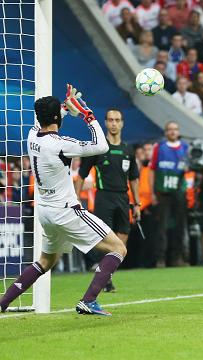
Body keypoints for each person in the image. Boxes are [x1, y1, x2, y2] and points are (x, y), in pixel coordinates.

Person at [0, 86, 126, 316]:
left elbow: (52, 117)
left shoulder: (32, 135)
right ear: (56, 117)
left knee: (45, 262)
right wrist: (86, 113)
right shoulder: (61, 144)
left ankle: (3, 302)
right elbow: (101, 146)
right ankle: (88, 300)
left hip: (45, 212)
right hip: (66, 211)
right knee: (118, 248)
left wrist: (66, 106)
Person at [74, 108, 139, 293]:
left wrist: (137, 203)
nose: (114, 123)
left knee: (122, 240)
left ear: (122, 123)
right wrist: (76, 199)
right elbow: (81, 175)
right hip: (104, 197)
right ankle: (105, 277)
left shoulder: (128, 149)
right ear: (105, 122)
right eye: (110, 120)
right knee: (107, 240)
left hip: (123, 197)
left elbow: (134, 178)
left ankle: (106, 274)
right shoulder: (99, 148)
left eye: (117, 120)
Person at [149, 121, 189, 268]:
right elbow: (152, 170)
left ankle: (177, 257)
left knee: (180, 226)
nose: (172, 132)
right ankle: (160, 258)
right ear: (166, 132)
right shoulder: (159, 147)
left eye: (175, 129)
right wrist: (153, 192)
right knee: (161, 227)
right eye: (170, 129)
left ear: (178, 132)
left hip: (179, 192)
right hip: (162, 192)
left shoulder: (186, 148)